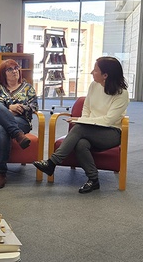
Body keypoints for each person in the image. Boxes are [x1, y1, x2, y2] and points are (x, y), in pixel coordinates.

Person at [34, 56, 129, 193]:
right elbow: (87, 108)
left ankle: (52, 162)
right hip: (90, 129)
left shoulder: (122, 94)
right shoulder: (94, 85)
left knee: (79, 128)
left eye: (95, 70)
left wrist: (82, 122)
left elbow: (108, 120)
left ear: (105, 75)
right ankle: (93, 180)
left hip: (111, 133)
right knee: (81, 144)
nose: (91, 72)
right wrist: (84, 120)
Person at [0, 59, 38, 189]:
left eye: (16, 68)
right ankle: (17, 135)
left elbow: (34, 106)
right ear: (3, 73)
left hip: (21, 121)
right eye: (10, 69)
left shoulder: (27, 88)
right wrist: (9, 108)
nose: (15, 71)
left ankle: (0, 173)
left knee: (0, 129)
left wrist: (21, 108)